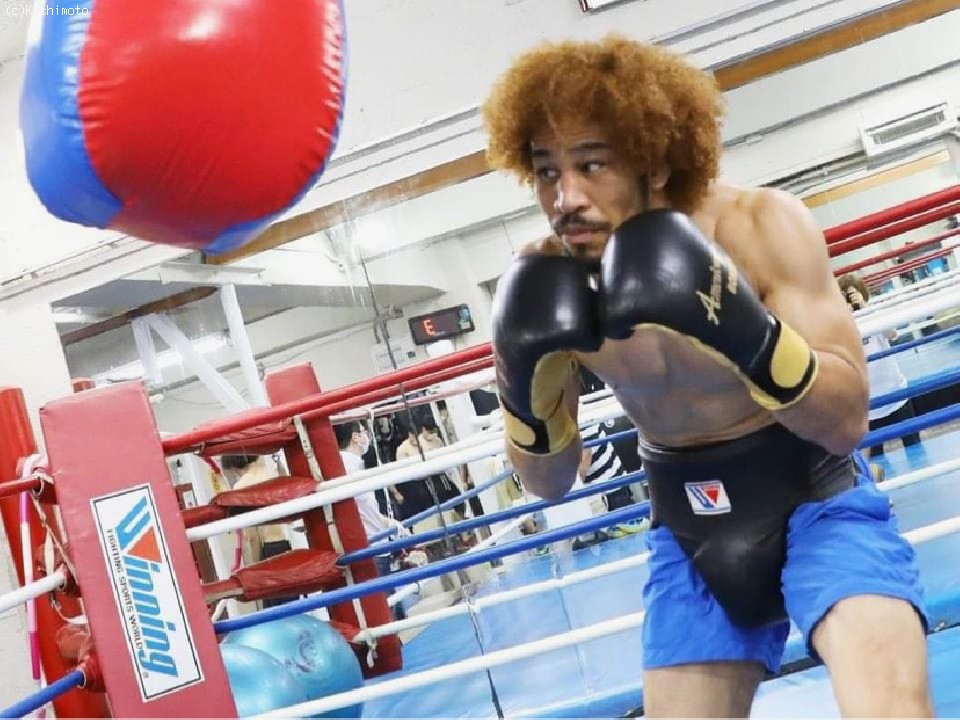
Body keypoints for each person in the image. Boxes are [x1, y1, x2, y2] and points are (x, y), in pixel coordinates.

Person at [482, 35, 930, 717]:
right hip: (687, 526)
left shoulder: (758, 225)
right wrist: (524, 394)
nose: (565, 198)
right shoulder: (550, 280)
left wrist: (747, 334)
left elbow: (846, 423)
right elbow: (550, 484)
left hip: (815, 496)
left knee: (892, 710)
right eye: (546, 173)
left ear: (656, 160)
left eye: (591, 165)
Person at [839, 273, 922, 457]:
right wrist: (846, 315)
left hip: (896, 395)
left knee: (915, 449)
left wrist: (865, 309)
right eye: (845, 296)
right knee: (876, 460)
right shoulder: (839, 325)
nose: (850, 300)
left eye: (852, 295)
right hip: (868, 406)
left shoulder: (875, 313)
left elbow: (891, 334)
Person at [220, 454, 298, 609]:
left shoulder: (241, 487)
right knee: (294, 602)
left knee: (276, 609)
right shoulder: (271, 474)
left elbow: (251, 535)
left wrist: (255, 567)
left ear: (234, 467)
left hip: (268, 548)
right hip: (285, 544)